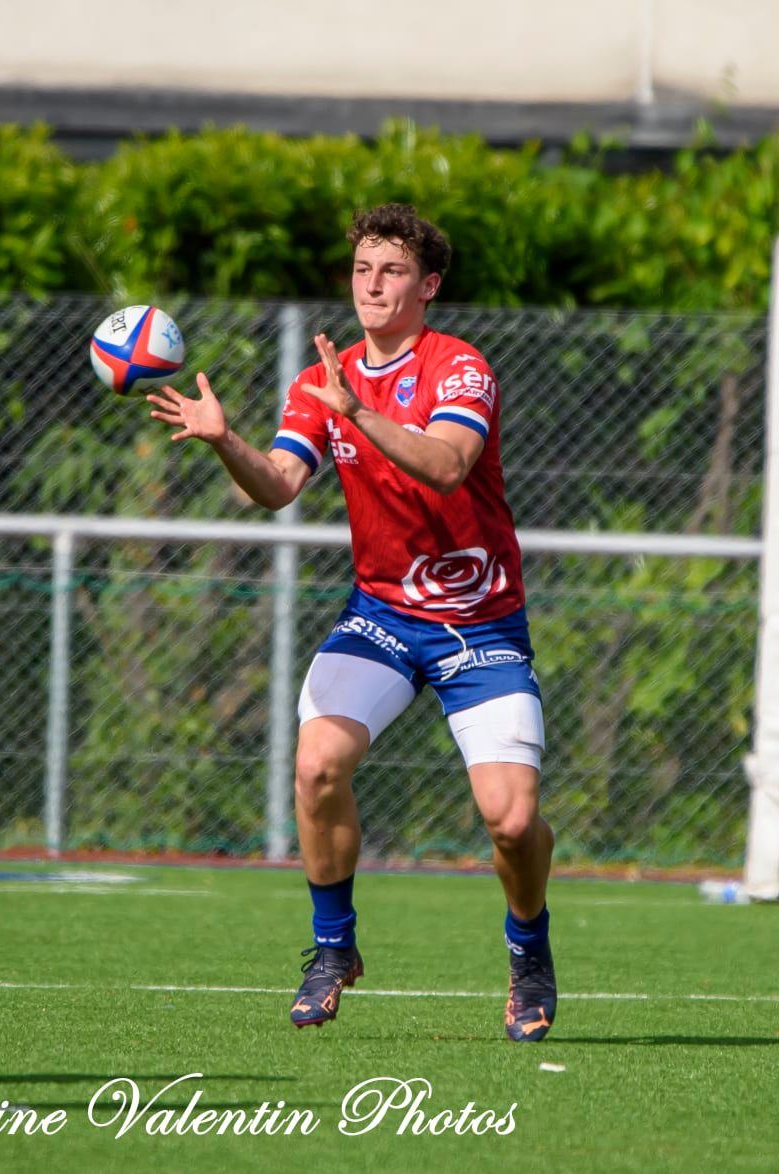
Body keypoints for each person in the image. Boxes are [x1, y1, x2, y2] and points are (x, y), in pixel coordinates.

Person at [145, 204, 556, 1041]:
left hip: (480, 626)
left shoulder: (458, 368)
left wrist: (357, 412)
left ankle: (528, 955)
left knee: (511, 820)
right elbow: (276, 486)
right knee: (317, 766)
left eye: (392, 271)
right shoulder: (318, 381)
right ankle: (333, 950)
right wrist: (225, 441)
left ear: (427, 286)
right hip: (381, 618)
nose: (372, 285)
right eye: (363, 269)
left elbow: (445, 466)